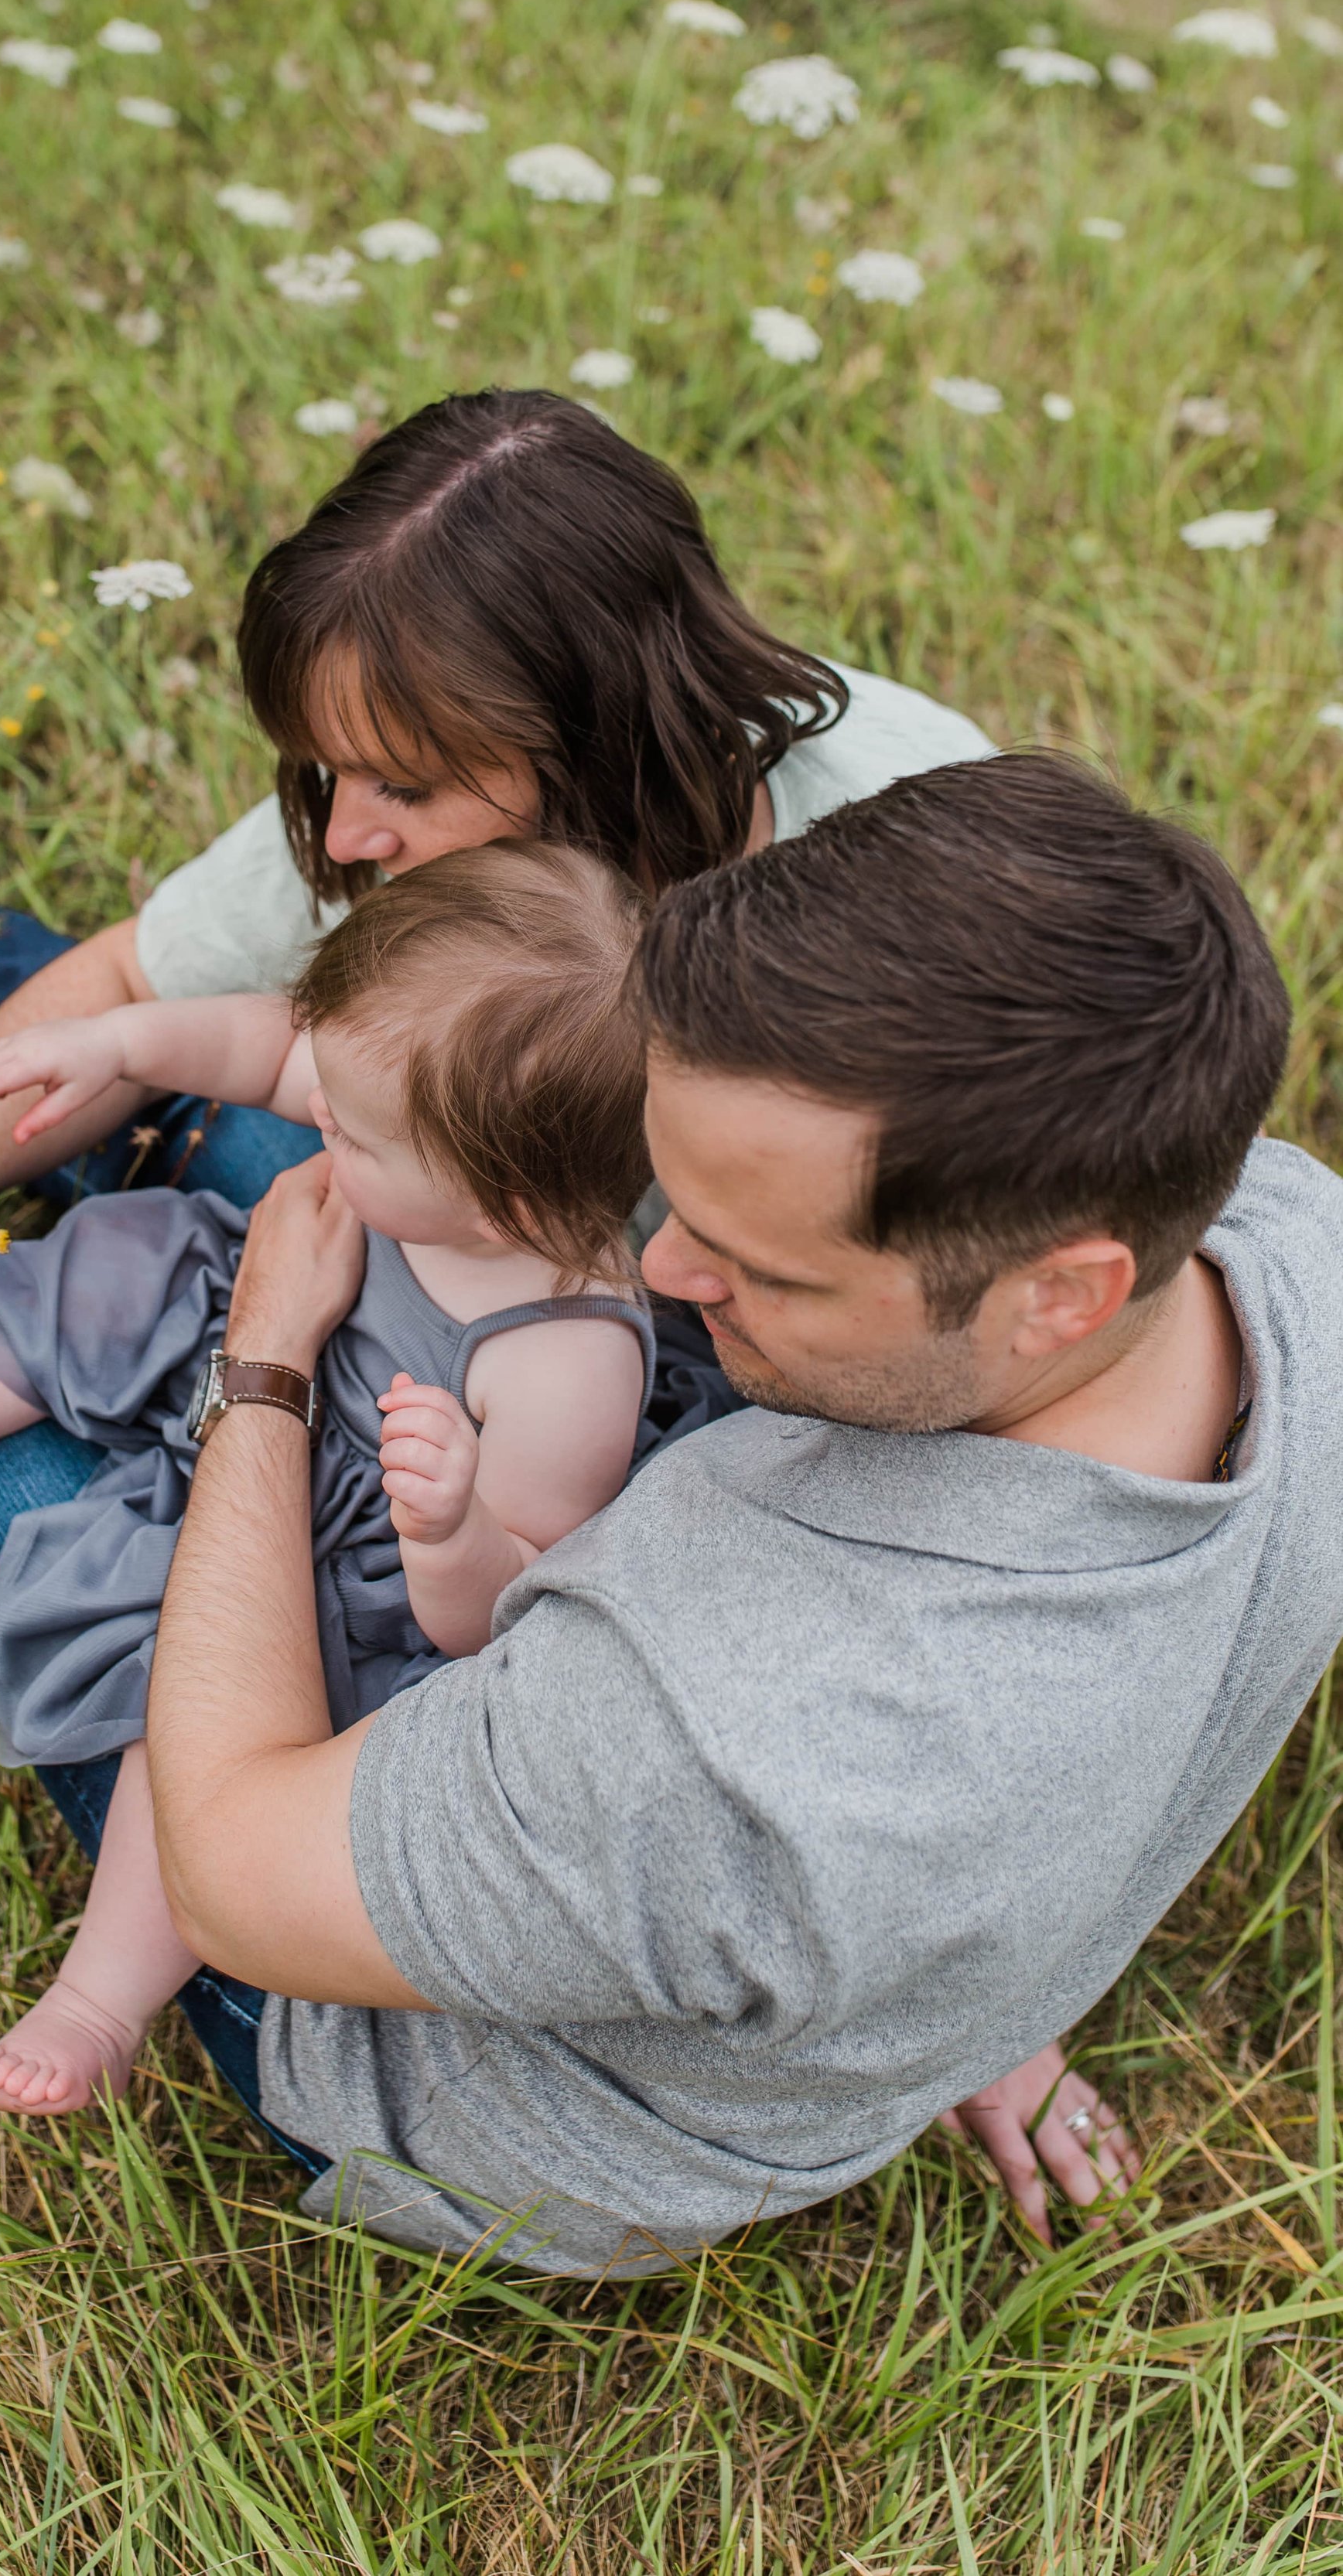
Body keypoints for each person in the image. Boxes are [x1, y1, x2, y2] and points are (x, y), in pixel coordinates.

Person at [0, 389, 1119, 2220]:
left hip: (576, 1422)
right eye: (323, 775)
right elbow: (154, 987)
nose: (346, 831)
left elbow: (1017, 1415)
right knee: (84, 1135)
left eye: (400, 787)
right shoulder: (408, 783)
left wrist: (969, 1983)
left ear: (594, 737)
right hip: (400, 1193)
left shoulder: (902, 853)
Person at [128, 752, 1341, 2274]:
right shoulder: (1295, 1245)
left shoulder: (721, 1725)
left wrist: (263, 1372)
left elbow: (227, 1867)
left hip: (421, 2085)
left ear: (1058, 1294)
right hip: (801, 1915)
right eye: (673, 1195)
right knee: (344, 1124)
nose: (658, 1276)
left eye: (763, 1269)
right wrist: (969, 1981)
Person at [0, 842, 654, 2117]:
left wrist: (451, 1524)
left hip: (343, 1556)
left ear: (507, 1200)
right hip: (251, 1335)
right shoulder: (417, 1100)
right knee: (99, 1266)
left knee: (192, 1709)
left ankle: (99, 1997)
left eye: (353, 1135)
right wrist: (121, 1049)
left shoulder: (567, 1359)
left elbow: (503, 1618)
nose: (315, 1122)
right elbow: (271, 1048)